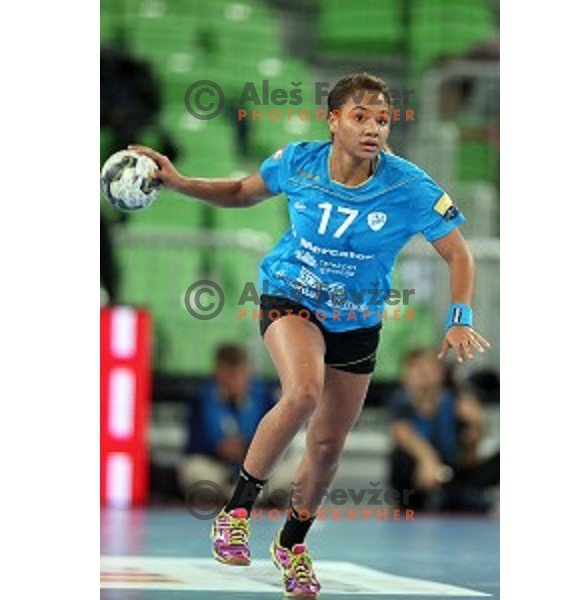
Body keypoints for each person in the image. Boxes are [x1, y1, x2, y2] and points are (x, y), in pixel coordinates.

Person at [130, 72, 490, 599]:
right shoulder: (297, 161)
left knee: (326, 446)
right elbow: (239, 191)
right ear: (334, 120)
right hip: (289, 295)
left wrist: (460, 315)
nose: (373, 129)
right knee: (302, 392)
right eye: (361, 117)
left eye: (383, 120)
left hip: (357, 321)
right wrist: (180, 182)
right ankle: (234, 513)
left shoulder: (410, 186)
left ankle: (292, 545)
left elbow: (458, 252)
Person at [178, 343, 294, 505]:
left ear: (247, 372)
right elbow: (192, 446)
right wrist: (218, 448)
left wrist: (248, 448)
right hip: (220, 471)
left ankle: (242, 497)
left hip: (260, 472)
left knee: (297, 467)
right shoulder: (201, 399)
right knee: (192, 470)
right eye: (229, 374)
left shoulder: (265, 397)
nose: (234, 380)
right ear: (217, 372)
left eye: (238, 373)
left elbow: (282, 441)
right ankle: (241, 497)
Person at [388, 348, 500, 512]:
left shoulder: (457, 400)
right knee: (401, 458)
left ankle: (463, 497)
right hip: (419, 473)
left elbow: (469, 459)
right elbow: (402, 433)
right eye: (414, 367)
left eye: (427, 367)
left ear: (440, 372)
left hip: (454, 471)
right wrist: (427, 459)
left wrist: (476, 427)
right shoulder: (401, 400)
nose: (422, 373)